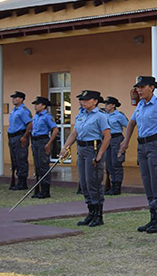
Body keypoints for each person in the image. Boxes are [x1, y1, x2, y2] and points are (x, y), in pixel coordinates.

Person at [119, 76, 157, 234]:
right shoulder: (140, 105)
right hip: (143, 146)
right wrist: (126, 142)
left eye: (142, 87)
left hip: (155, 145)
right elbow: (132, 123)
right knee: (147, 183)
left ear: (152, 87)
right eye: (138, 87)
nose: (139, 90)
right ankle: (152, 217)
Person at [60, 90, 111, 227]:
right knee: (84, 183)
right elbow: (75, 132)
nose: (82, 102)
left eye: (86, 100)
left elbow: (107, 136)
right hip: (81, 149)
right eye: (81, 100)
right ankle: (90, 213)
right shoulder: (81, 115)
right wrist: (65, 147)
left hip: (92, 149)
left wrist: (100, 154)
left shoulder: (100, 116)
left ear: (95, 101)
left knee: (93, 182)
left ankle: (98, 215)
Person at [30, 96, 59, 199]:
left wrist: (49, 143)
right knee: (37, 166)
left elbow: (55, 130)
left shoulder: (47, 116)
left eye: (37, 104)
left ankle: (45, 190)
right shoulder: (36, 116)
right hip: (35, 141)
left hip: (43, 141)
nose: (35, 106)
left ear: (43, 106)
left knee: (43, 166)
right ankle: (37, 189)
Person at [102, 97, 128, 195]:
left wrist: (125, 141)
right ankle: (111, 185)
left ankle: (117, 187)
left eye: (108, 104)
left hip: (116, 139)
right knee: (108, 164)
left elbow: (128, 126)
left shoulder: (119, 115)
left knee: (116, 163)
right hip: (107, 139)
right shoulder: (104, 115)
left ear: (113, 105)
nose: (106, 106)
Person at [7, 91, 32, 190]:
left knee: (21, 159)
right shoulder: (14, 110)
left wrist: (25, 137)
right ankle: (16, 180)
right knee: (14, 160)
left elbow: (30, 124)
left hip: (20, 136)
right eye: (13, 97)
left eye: (16, 97)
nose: (13, 99)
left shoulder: (23, 111)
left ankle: (22, 182)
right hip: (12, 137)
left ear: (21, 99)